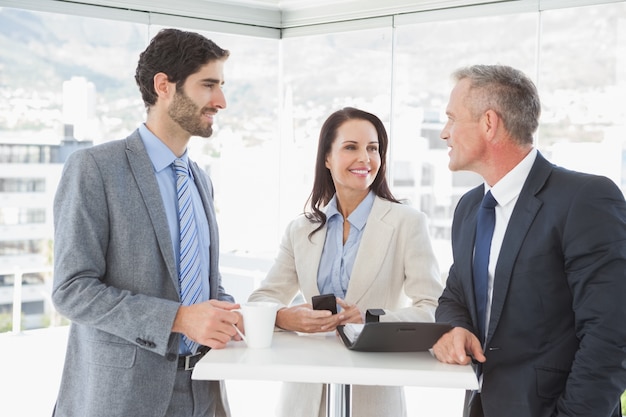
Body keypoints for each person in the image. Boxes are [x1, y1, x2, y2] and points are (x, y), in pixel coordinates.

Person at [51, 28, 243, 417]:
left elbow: (204, 283)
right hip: (122, 398)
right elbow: (72, 289)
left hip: (203, 392)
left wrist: (252, 317)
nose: (221, 101)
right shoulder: (95, 169)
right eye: (209, 85)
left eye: (221, 86)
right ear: (164, 86)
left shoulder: (199, 179)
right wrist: (179, 319)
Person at [432, 64, 626, 417]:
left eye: (451, 118)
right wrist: (456, 326)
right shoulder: (469, 207)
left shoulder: (585, 198)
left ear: (489, 123)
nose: (444, 133)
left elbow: (611, 332)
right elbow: (454, 296)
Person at [248, 107, 444, 417]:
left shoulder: (407, 223)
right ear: (327, 158)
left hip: (373, 396)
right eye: (351, 147)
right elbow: (261, 301)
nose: (365, 158)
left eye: (373, 148)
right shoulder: (301, 230)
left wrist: (370, 321)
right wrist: (286, 318)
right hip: (305, 396)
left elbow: (434, 308)